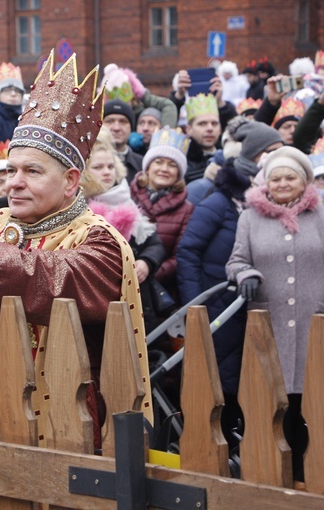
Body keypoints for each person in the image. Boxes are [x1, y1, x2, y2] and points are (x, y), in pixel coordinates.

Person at [0, 51, 153, 442]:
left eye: (32, 171)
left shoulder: (101, 240)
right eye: (10, 171)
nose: (13, 183)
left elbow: (53, 278)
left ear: (72, 181)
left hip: (64, 422)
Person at [226, 146, 324, 484]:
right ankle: (276, 481)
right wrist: (245, 276)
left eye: (290, 177)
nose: (282, 183)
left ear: (304, 180)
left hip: (316, 324)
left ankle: (311, 479)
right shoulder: (250, 217)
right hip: (270, 327)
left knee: (314, 407)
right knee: (274, 408)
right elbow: (236, 262)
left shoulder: (321, 213)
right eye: (275, 178)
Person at [177, 156, 255, 448]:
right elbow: (188, 251)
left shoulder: (254, 205)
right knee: (212, 382)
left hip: (241, 307)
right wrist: (196, 305)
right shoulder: (218, 202)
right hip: (215, 306)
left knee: (236, 380)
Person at [83, 127, 165, 333]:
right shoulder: (79, 208)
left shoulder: (126, 201)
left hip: (137, 298)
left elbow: (154, 243)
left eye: (111, 166)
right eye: (98, 167)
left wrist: (146, 262)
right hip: (99, 303)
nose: (107, 172)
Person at [130, 128, 195, 311]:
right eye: (158, 162)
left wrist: (150, 270)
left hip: (161, 292)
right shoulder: (126, 197)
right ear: (148, 167)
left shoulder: (186, 209)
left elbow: (180, 255)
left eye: (172, 165)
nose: (164, 169)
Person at [103, 99, 144, 183]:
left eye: (123, 122)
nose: (116, 128)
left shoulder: (142, 164)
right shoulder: (88, 161)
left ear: (131, 127)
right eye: (110, 121)